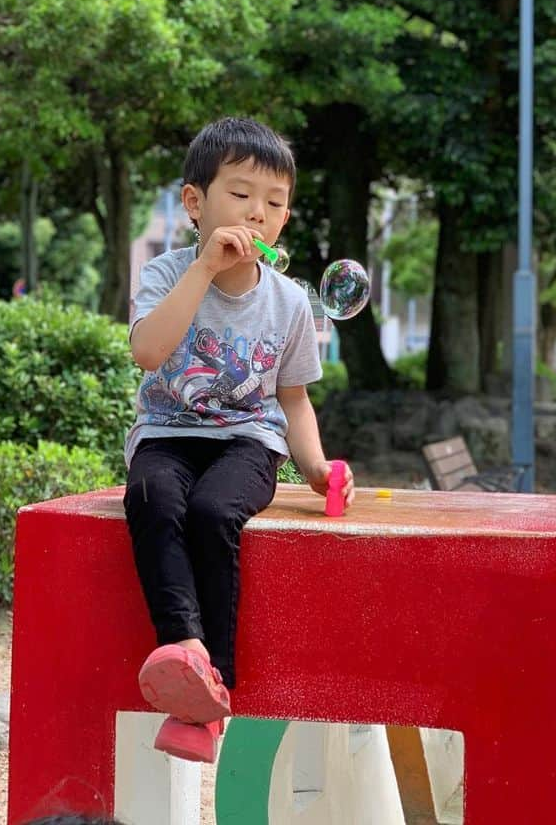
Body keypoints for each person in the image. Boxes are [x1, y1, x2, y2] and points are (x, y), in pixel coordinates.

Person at [123, 117, 354, 766]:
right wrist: (201, 270)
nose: (259, 213)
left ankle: (211, 686)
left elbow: (293, 398)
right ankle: (187, 659)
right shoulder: (167, 274)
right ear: (195, 204)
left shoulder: (288, 302)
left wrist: (313, 467)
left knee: (214, 511)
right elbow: (147, 352)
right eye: (242, 195)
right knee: (153, 496)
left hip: (248, 443)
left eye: (275, 203)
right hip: (167, 433)